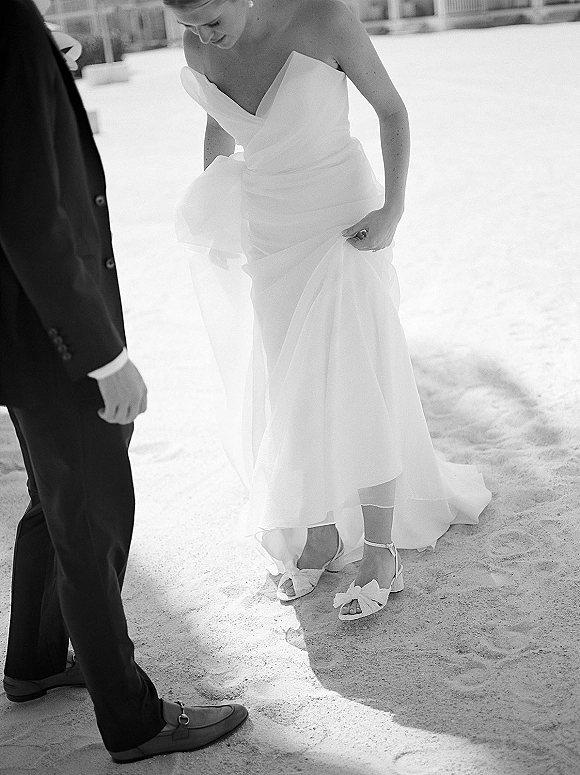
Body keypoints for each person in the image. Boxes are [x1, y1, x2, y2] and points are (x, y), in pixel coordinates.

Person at [165, 0, 492, 621]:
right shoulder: (200, 46)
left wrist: (391, 212)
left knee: (355, 377)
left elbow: (391, 111)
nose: (203, 35)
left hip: (343, 224)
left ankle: (379, 551)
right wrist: (214, 206)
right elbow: (218, 124)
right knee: (290, 382)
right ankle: (317, 532)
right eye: (188, 25)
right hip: (271, 233)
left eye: (209, 18)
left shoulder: (322, 17)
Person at [0, 0, 247, 763]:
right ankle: (134, 719)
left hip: (16, 326)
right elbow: (31, 215)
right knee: (92, 519)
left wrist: (45, 52)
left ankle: (35, 659)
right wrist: (104, 357)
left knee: (55, 495)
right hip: (47, 333)